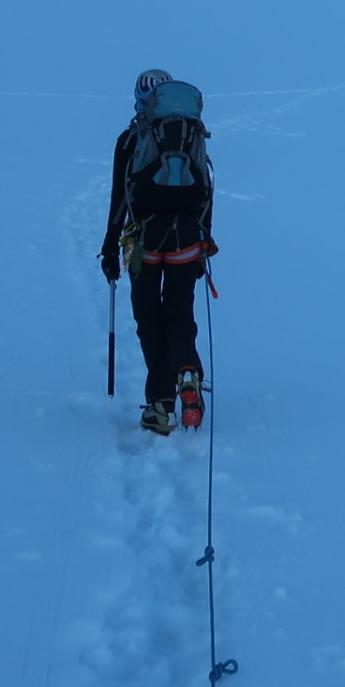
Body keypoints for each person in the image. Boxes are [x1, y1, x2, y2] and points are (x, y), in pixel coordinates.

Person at [101, 68, 218, 435]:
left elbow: (119, 199)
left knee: (150, 319)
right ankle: (187, 370)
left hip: (144, 241)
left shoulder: (130, 139)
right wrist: (204, 242)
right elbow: (207, 189)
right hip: (187, 238)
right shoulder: (192, 135)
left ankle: (160, 406)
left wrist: (109, 248)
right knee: (180, 313)